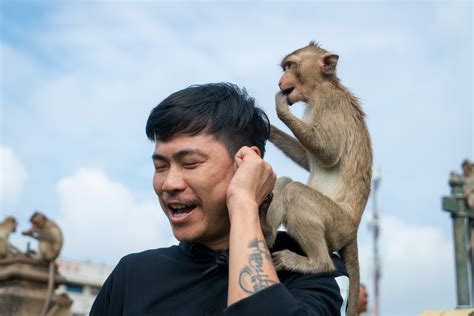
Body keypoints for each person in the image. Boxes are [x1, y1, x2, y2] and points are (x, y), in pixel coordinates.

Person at [90, 82, 349, 315]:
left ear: (246, 163)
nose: (169, 184)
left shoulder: (312, 272)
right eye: (160, 166)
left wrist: (244, 204)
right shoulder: (134, 274)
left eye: (190, 163)